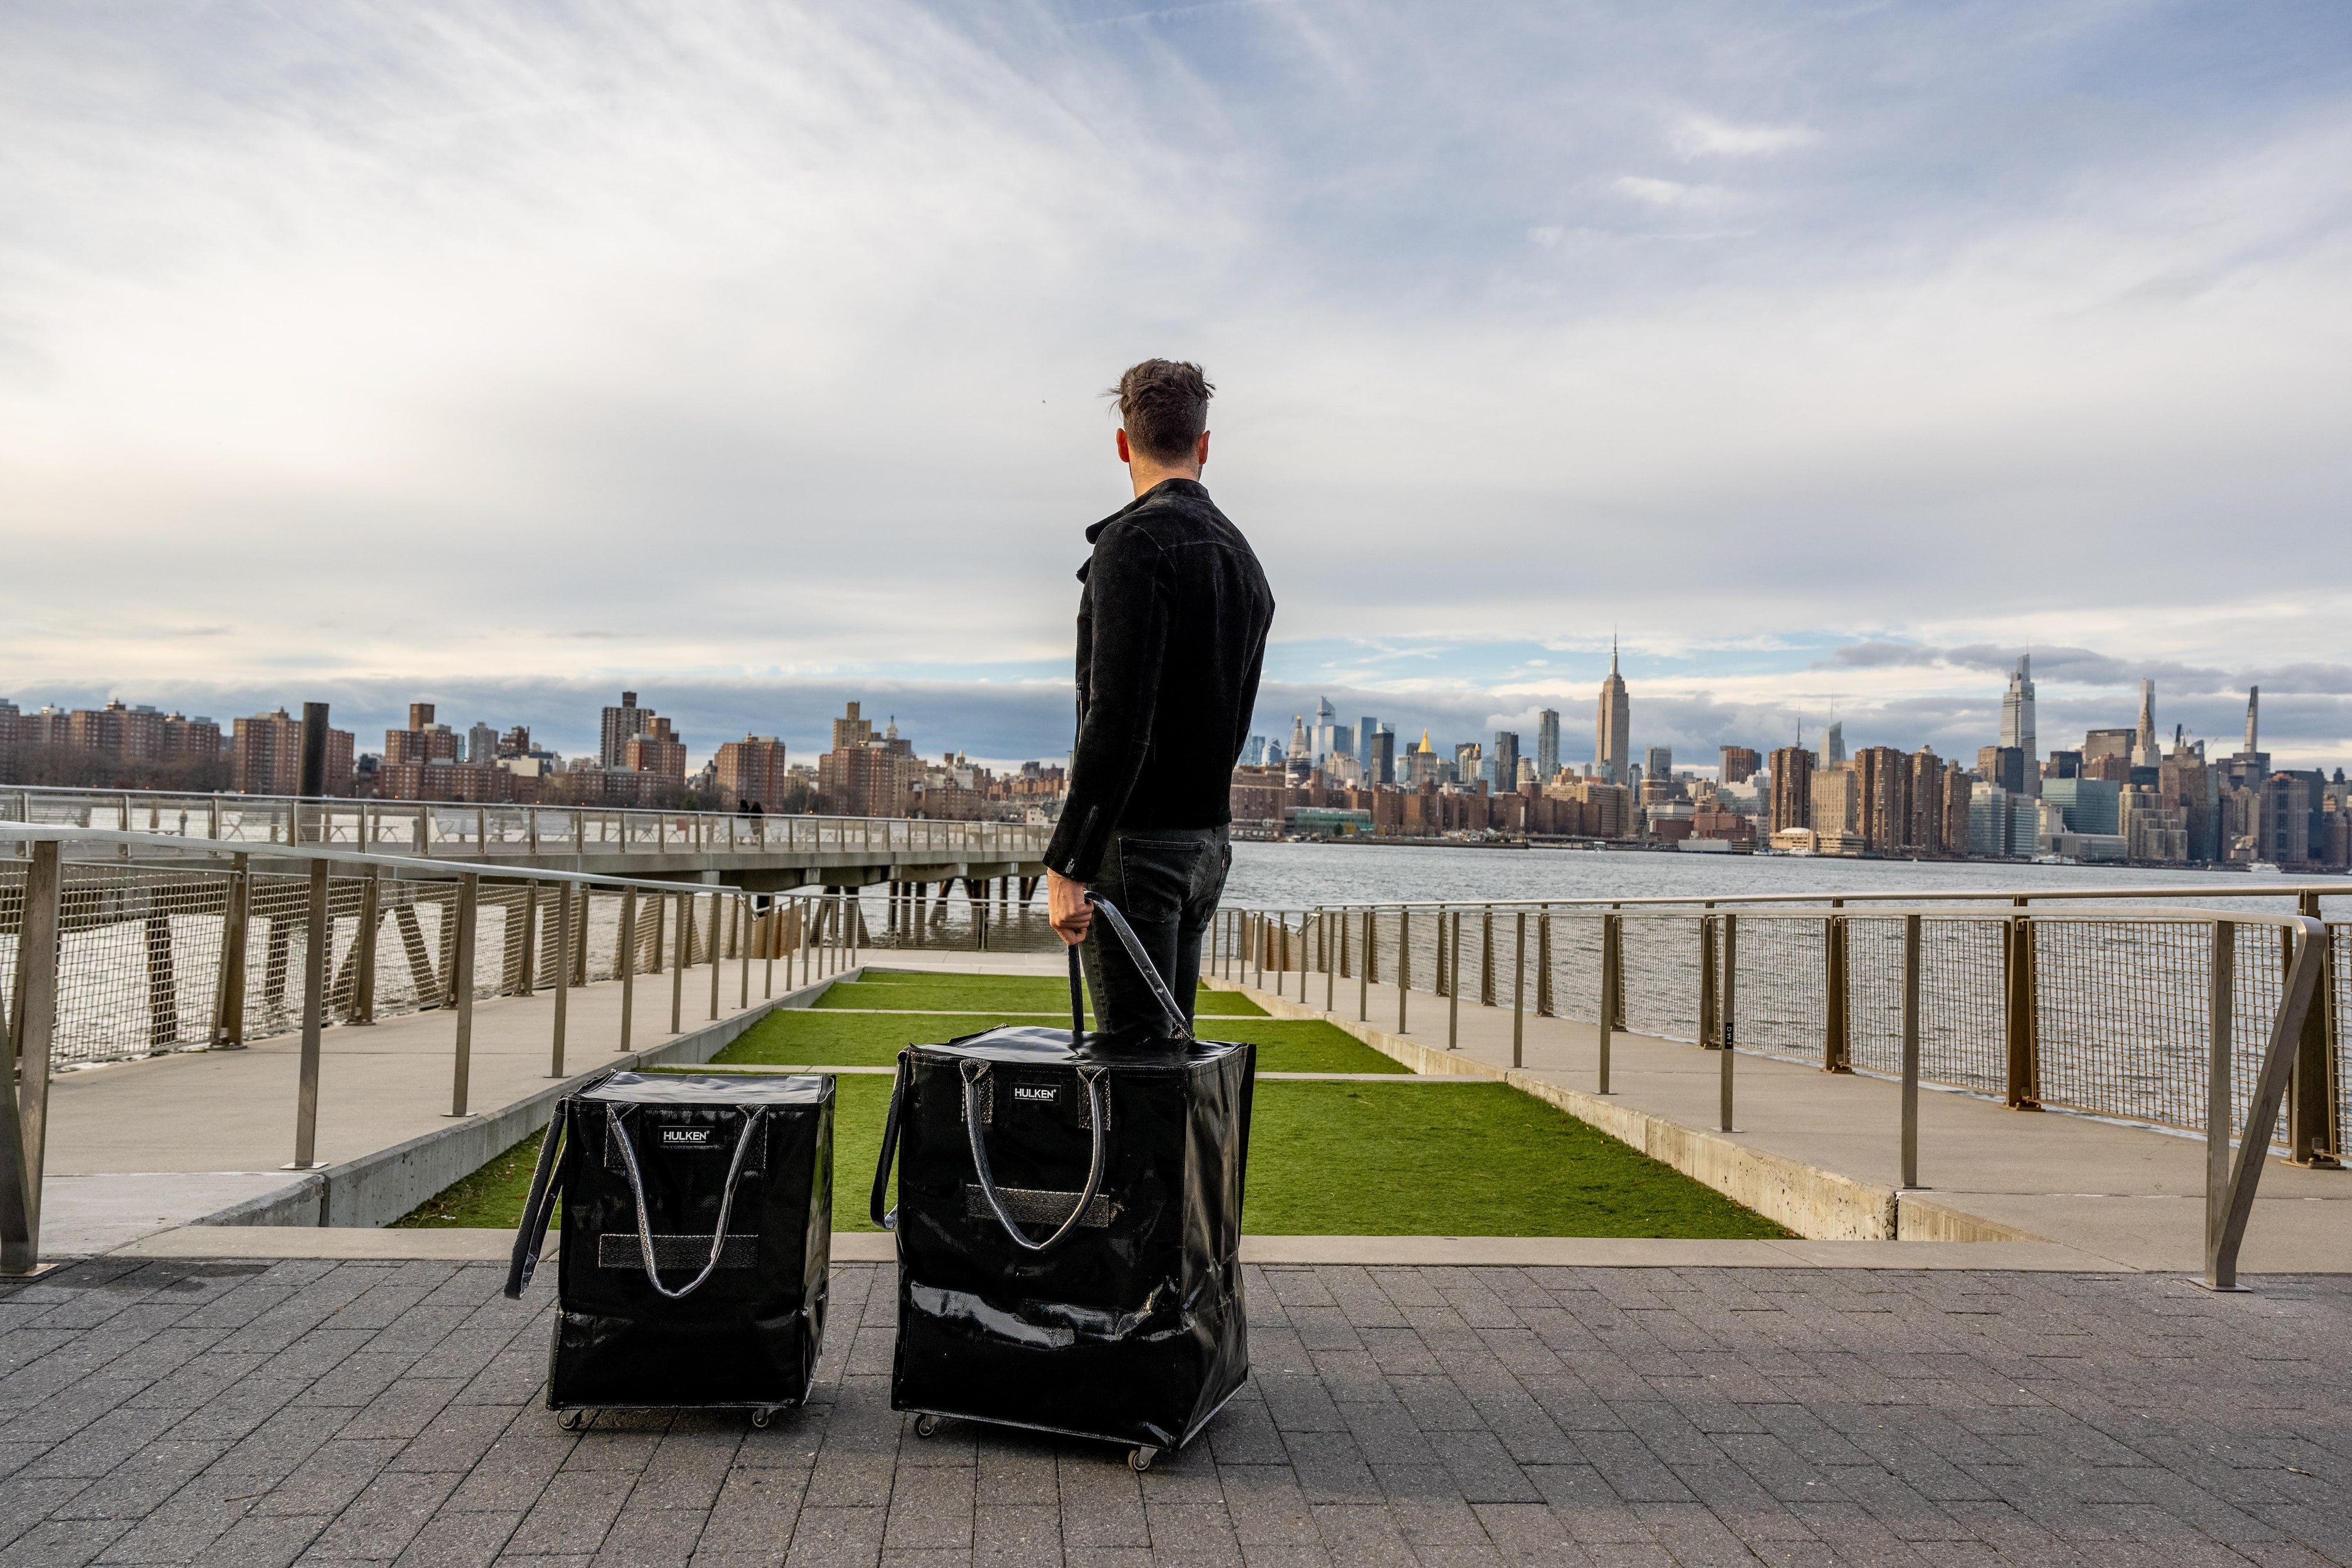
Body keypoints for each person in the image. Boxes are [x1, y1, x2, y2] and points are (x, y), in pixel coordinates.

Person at [1044, 360, 1275, 1036]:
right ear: (1204, 445)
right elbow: (1234, 726)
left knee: (1129, 1078)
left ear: (1123, 443)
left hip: (1138, 846)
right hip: (1206, 844)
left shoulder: (1133, 543)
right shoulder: (1242, 558)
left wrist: (1068, 862)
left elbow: (1116, 718)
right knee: (1166, 1066)